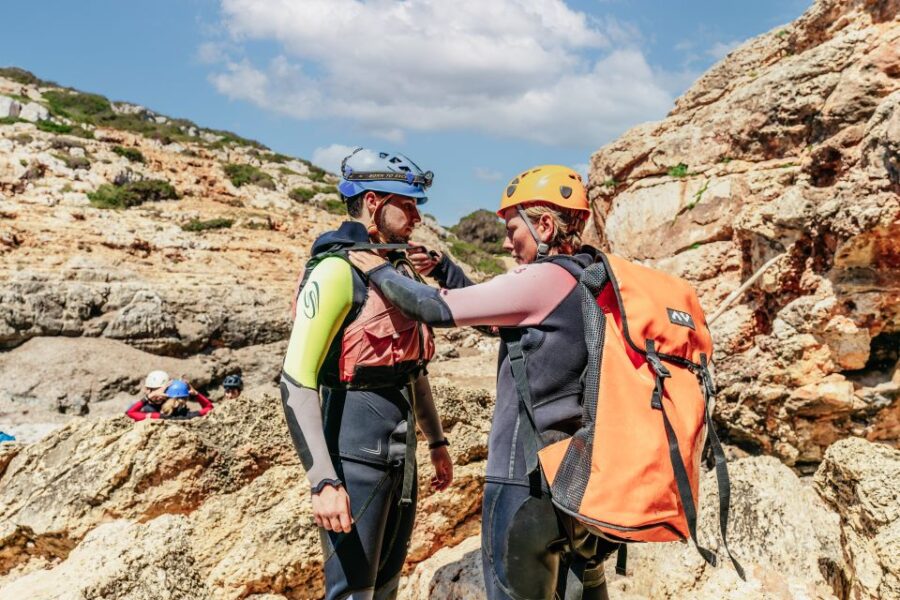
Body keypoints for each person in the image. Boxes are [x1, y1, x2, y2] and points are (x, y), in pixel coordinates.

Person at [349, 165, 618, 600]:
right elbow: (503, 326)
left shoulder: (542, 278)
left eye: (514, 229)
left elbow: (435, 309)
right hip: (581, 483)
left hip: (523, 483)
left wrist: (374, 268)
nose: (508, 242)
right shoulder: (593, 276)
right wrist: (446, 268)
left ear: (545, 224)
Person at [280, 147, 453, 600]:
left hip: (401, 459)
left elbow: (412, 366)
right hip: (353, 459)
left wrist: (435, 441)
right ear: (374, 201)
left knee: (387, 588)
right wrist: (323, 481)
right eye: (408, 204)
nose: (417, 215)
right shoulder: (337, 270)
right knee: (352, 593)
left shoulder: (395, 267)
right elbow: (296, 379)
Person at [126, 379, 213, 421]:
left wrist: (149, 396)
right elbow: (210, 407)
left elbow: (130, 413)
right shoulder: (191, 416)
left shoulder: (158, 417)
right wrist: (197, 394)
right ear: (186, 398)